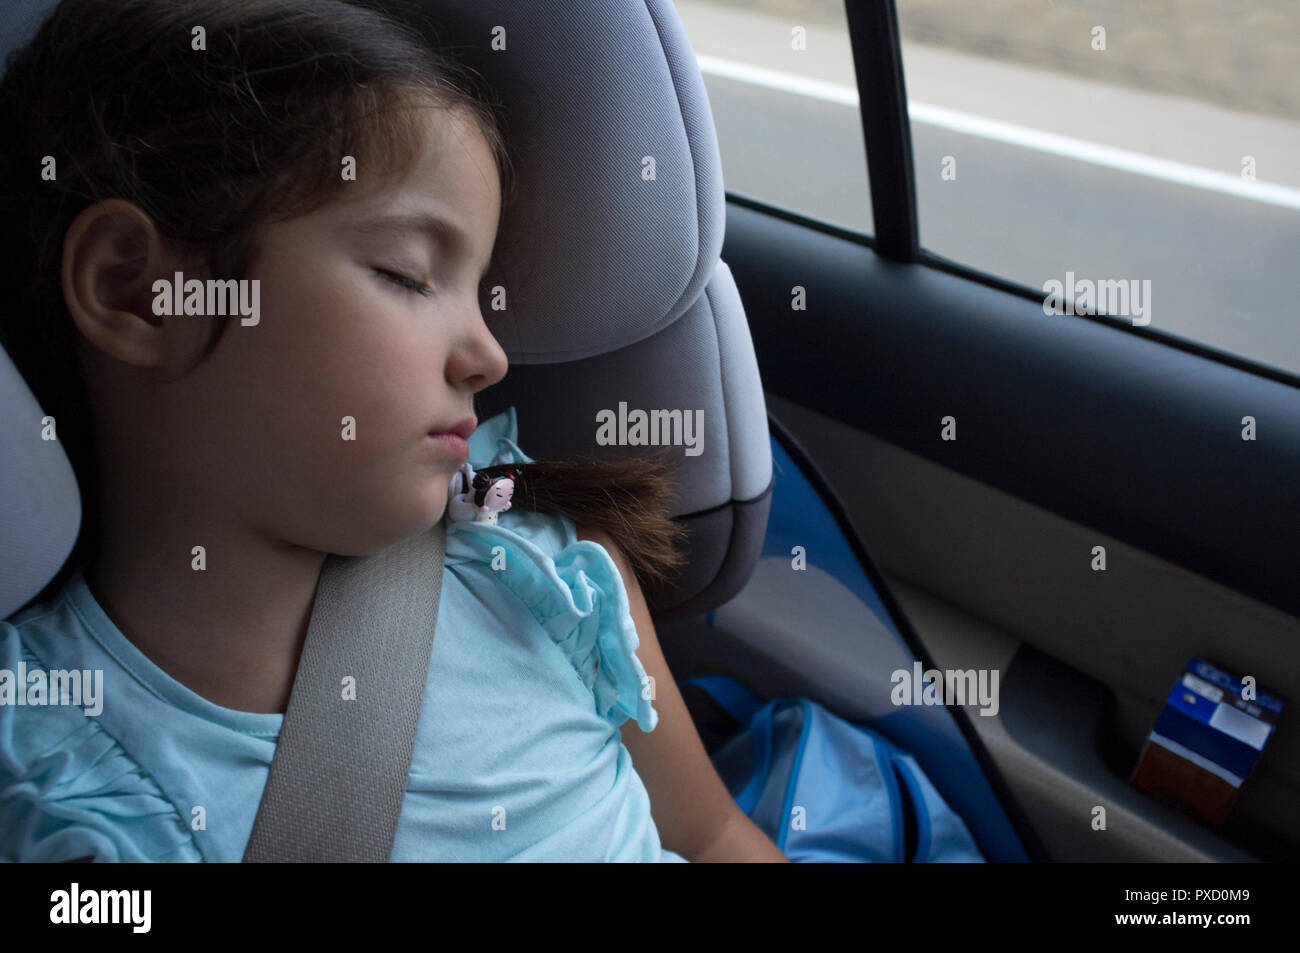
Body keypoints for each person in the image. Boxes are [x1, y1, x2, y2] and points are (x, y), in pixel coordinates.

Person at [0, 0, 788, 862]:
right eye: (409, 274)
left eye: (478, 290)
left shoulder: (539, 568)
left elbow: (712, 838)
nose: (488, 355)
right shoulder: (58, 768)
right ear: (138, 291)